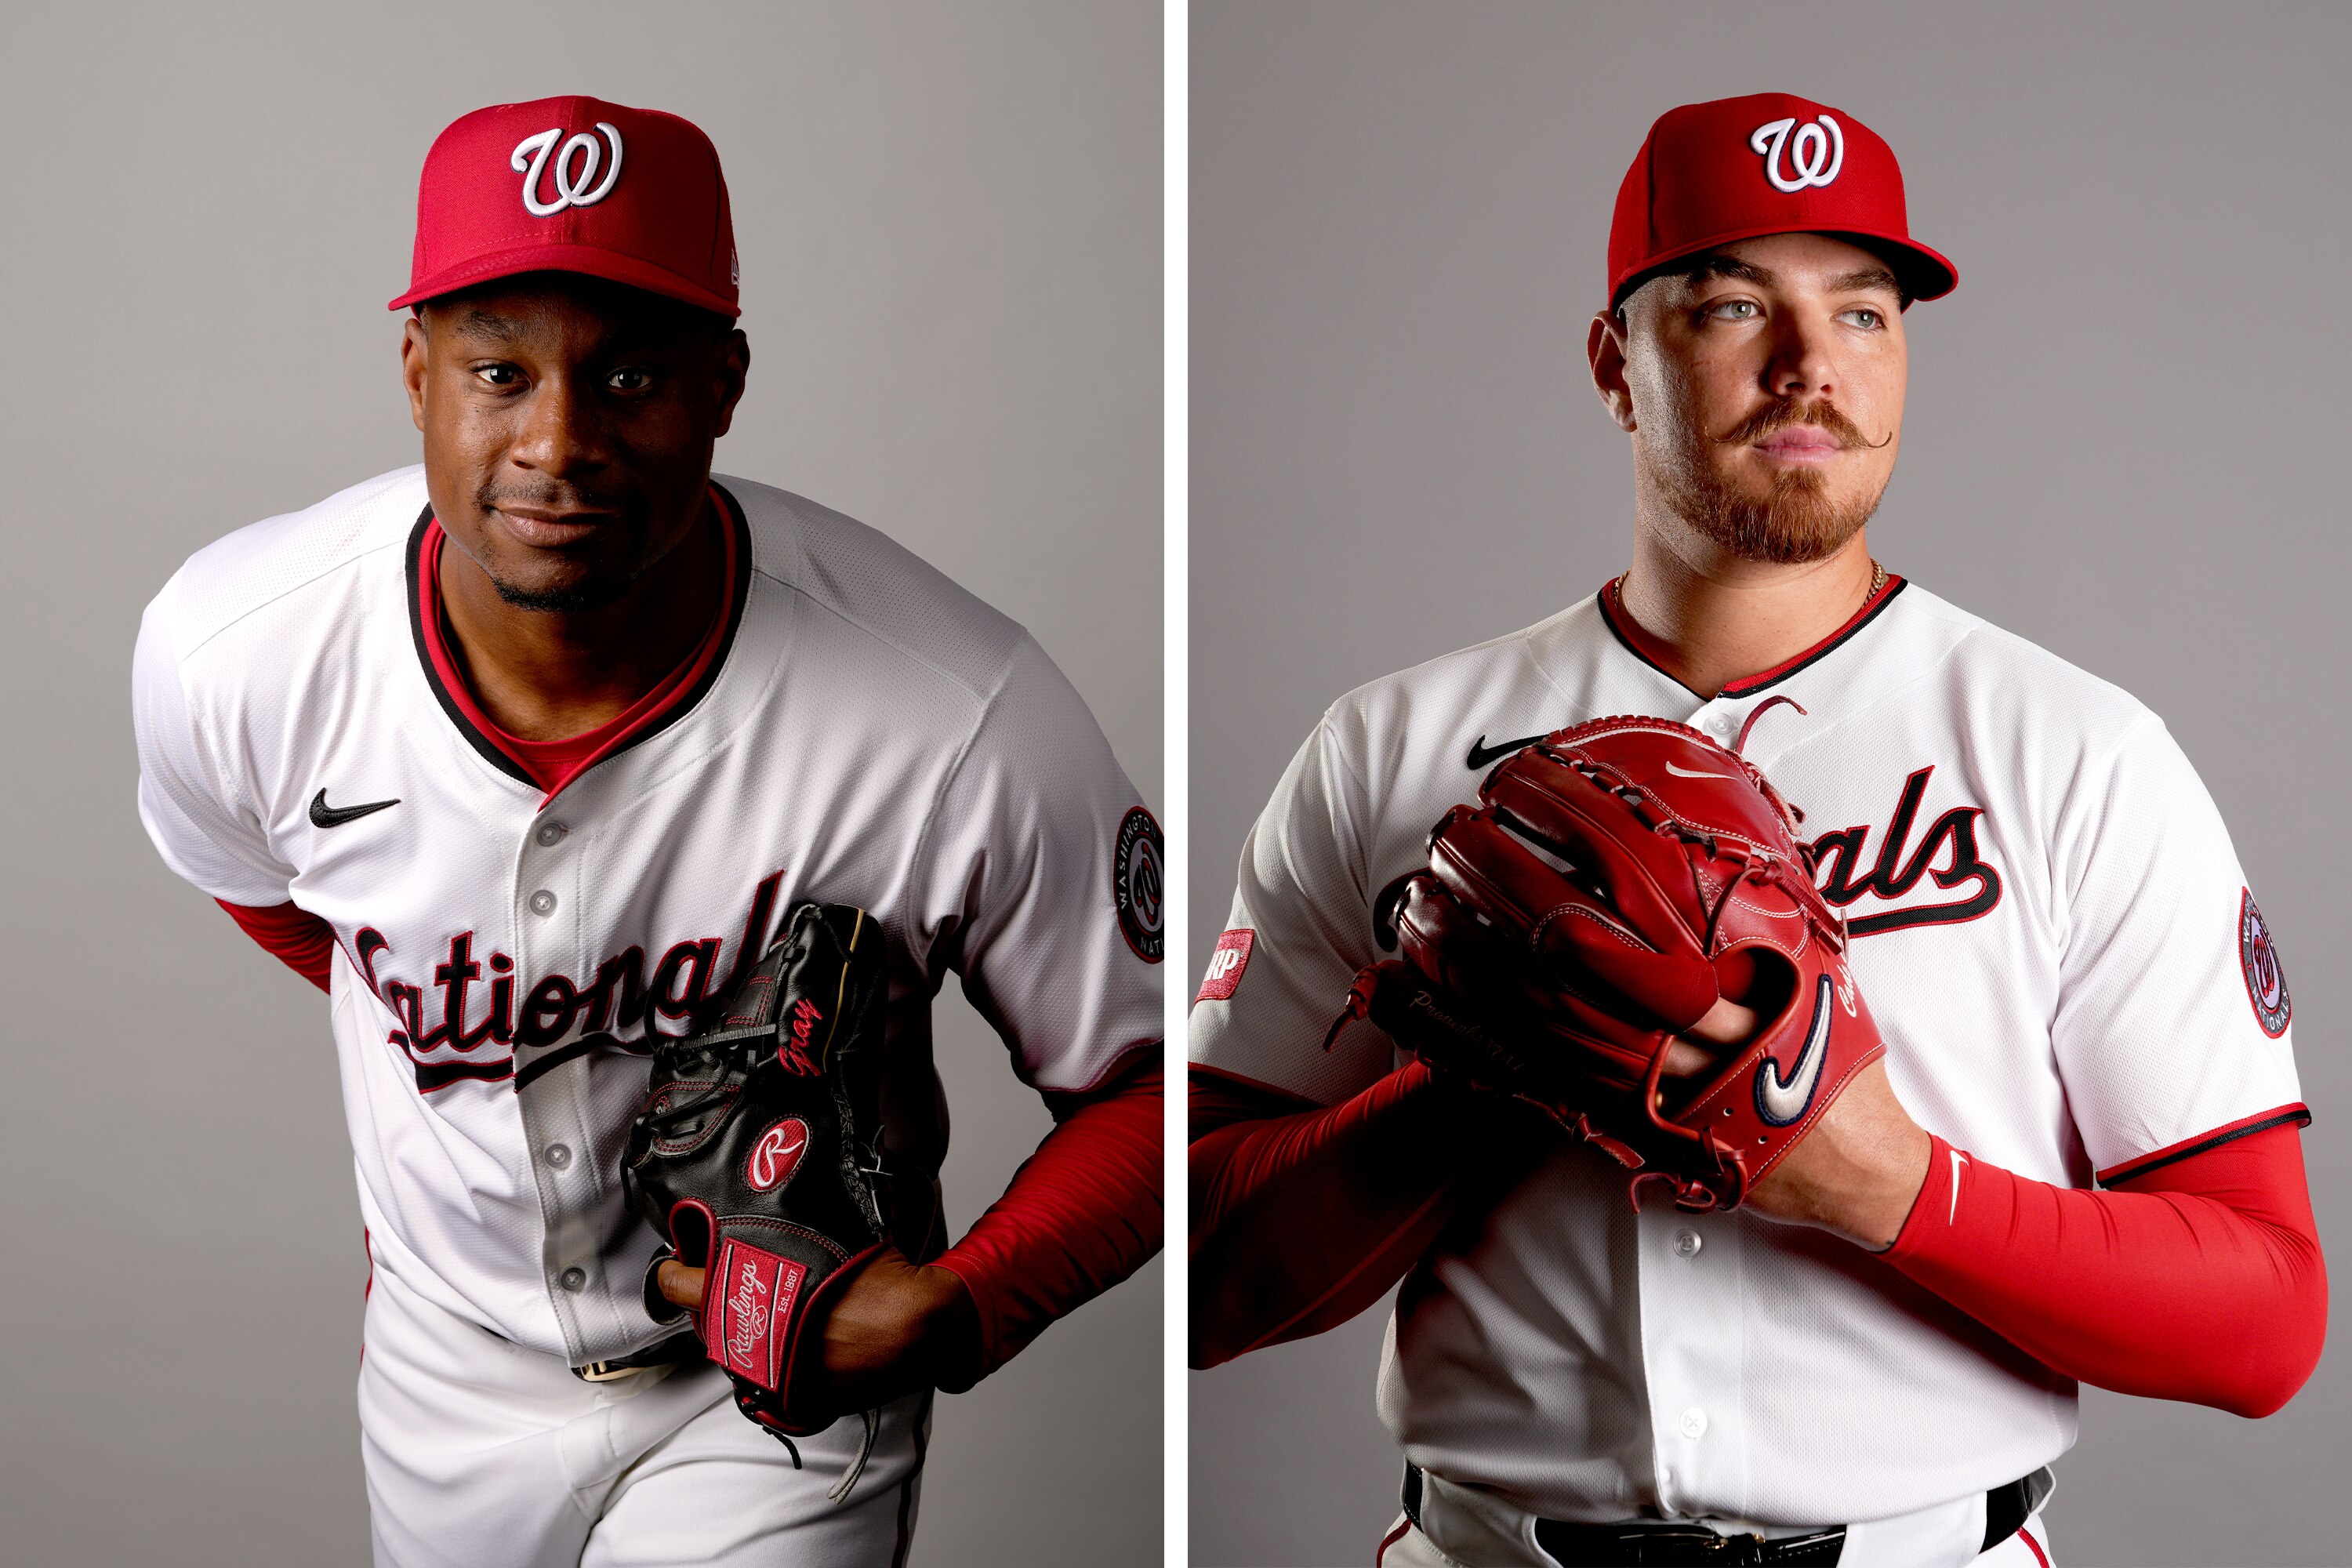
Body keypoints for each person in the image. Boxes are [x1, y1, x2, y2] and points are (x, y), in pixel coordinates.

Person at [1188, 92, 2323, 1568]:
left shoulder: (2078, 754)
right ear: (1616, 366)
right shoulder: (1384, 750)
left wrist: (1887, 1186)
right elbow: (1197, 1278)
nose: (1810, 366)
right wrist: (1485, 1076)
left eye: (1862, 312)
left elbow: (2264, 1320)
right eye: (1734, 305)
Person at [133, 96, 1161, 1567]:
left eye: (629, 376)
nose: (559, 442)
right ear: (416, 374)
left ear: (724, 385)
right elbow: (261, 884)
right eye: (499, 372)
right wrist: (482, 1017)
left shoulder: (953, 711)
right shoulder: (234, 650)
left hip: (770, 1400)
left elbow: (1159, 1082)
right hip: (442, 1368)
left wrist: (967, 1301)